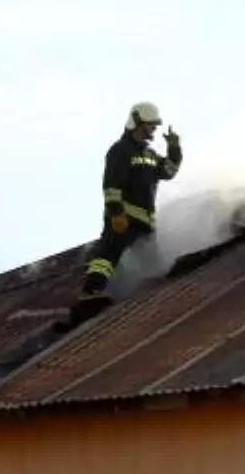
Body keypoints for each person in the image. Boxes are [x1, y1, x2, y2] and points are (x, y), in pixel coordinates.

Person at [65, 101, 183, 328]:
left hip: (145, 222)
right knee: (108, 254)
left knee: (154, 266)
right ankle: (90, 292)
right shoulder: (120, 150)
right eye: (150, 125)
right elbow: (111, 186)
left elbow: (169, 171)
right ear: (137, 122)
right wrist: (116, 213)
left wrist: (174, 148)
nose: (153, 130)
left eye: (154, 125)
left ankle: (155, 300)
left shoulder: (150, 154)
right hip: (123, 218)